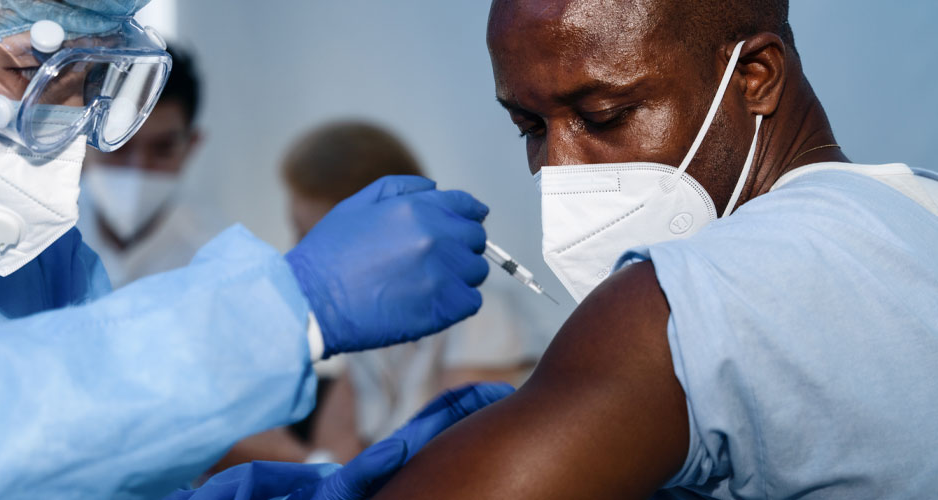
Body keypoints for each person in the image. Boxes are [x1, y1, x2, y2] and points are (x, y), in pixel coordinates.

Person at [369, 0, 938, 498]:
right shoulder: (913, 206)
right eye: (531, 128)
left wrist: (296, 314)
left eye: (604, 116)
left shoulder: (688, 296)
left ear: (754, 76)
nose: (558, 171)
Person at [0, 1, 498, 498]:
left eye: (90, 78)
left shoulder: (49, 253)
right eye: (30, 68)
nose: (68, 119)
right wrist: (290, 309)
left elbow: (74, 462)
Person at [281, 121, 543, 463]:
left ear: (382, 229)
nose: (295, 254)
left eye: (308, 238)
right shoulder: (368, 326)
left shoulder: (485, 315)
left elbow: (455, 461)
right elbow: (329, 458)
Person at [78, 45, 220, 288]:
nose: (139, 167)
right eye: (117, 143)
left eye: (163, 147)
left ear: (191, 146)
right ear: (84, 138)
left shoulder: (216, 258)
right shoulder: (37, 239)